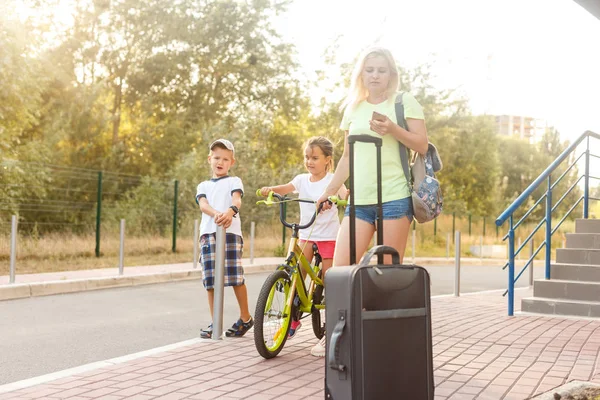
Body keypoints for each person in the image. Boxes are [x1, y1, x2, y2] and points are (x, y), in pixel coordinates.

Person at [314, 47, 429, 356]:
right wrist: (329, 190)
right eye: (370, 69)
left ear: (390, 73)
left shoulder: (404, 102)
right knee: (340, 271)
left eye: (381, 69)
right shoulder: (354, 108)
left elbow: (421, 143)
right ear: (361, 74)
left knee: (388, 274)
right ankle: (337, 335)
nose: (375, 75)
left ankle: (384, 338)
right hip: (359, 202)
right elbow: (347, 158)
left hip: (394, 198)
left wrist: (392, 129)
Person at [259, 136, 347, 341]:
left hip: (328, 236)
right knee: (298, 273)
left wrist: (337, 199)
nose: (309, 161)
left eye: (315, 158)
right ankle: (294, 316)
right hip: (306, 234)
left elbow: (343, 195)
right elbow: (286, 188)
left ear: (327, 159)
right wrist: (270, 190)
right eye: (307, 157)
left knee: (329, 277)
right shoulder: (301, 180)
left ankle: (332, 318)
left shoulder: (333, 180)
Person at [196, 138, 253, 339]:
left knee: (235, 277)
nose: (220, 162)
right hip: (209, 234)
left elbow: (236, 199)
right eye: (217, 158)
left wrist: (230, 212)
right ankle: (215, 322)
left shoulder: (234, 181)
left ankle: (245, 318)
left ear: (232, 162)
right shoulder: (203, 185)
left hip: (230, 234)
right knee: (211, 280)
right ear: (210, 159)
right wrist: (217, 214)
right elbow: (203, 205)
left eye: (225, 159)